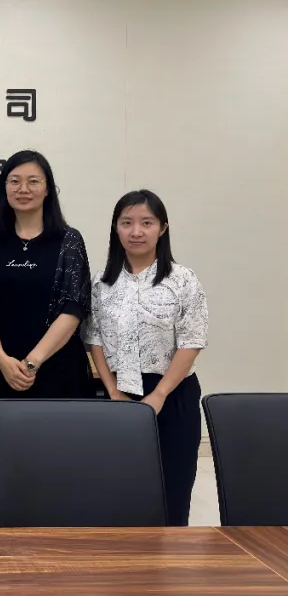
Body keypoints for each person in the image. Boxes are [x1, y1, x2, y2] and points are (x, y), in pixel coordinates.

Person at [0, 150, 93, 494]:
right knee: (9, 465)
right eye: (14, 181)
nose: (23, 189)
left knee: (57, 466)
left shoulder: (68, 240)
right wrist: (0, 358)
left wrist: (32, 362)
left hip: (56, 368)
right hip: (3, 368)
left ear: (48, 188)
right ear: (3, 188)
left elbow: (74, 306)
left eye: (33, 181)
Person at [85, 189, 208, 527]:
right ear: (116, 228)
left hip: (173, 393)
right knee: (121, 490)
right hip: (120, 393)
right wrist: (112, 390)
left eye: (146, 223)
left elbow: (192, 341)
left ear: (162, 228)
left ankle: (166, 556)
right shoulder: (102, 282)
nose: (136, 231)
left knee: (172, 490)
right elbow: (94, 338)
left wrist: (160, 394)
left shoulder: (182, 279)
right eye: (127, 223)